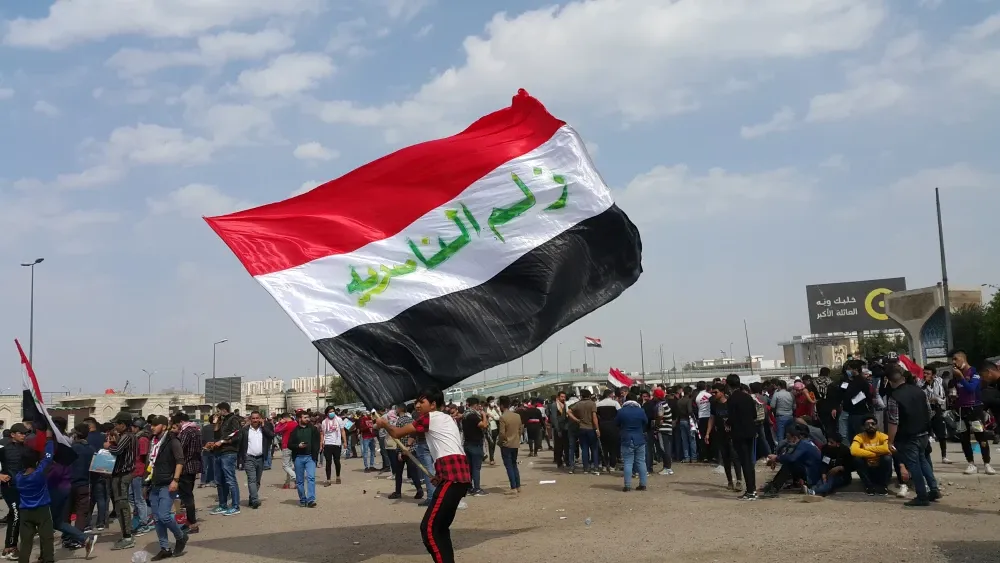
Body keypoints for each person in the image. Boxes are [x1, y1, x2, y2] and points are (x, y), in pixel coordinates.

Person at [377, 387, 471, 563]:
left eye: (422, 402)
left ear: (433, 404)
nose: (417, 405)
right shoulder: (446, 418)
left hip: (453, 475)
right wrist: (440, 476)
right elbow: (446, 447)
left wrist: (384, 424)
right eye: (417, 402)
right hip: (457, 474)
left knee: (430, 529)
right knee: (440, 528)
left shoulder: (431, 417)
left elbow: (397, 433)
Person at [887, 365, 941, 507]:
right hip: (923, 433)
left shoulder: (894, 397)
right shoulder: (919, 391)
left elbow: (894, 422)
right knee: (923, 460)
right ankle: (934, 489)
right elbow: (929, 412)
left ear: (889, 381)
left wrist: (890, 441)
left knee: (914, 465)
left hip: (908, 436)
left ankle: (922, 495)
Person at [146, 416, 188, 560]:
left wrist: (175, 480)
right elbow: (150, 463)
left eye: (155, 425)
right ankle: (165, 548)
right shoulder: (153, 441)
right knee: (157, 518)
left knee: (164, 516)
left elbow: (180, 461)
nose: (152, 427)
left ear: (164, 426)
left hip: (168, 482)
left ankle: (180, 536)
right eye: (151, 425)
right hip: (154, 483)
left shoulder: (172, 440)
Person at [950, 351, 995, 475]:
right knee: (964, 438)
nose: (953, 362)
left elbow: (971, 389)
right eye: (952, 360)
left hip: (974, 409)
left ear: (963, 359)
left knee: (981, 437)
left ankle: (987, 463)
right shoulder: (955, 376)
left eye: (956, 359)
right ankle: (971, 463)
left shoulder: (974, 373)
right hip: (961, 411)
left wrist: (961, 378)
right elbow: (955, 390)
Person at [15, 443, 56, 563]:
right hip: (42, 510)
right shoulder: (39, 475)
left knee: (26, 541)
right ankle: (48, 559)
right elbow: (48, 457)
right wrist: (49, 441)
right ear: (36, 462)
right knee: (47, 538)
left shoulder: (19, 477)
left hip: (25, 511)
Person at [106, 411, 138, 550]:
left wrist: (109, 446)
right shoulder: (129, 436)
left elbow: (118, 450)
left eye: (117, 424)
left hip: (122, 474)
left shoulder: (127, 436)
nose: (115, 426)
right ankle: (127, 534)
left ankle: (127, 536)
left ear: (123, 425)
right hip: (123, 474)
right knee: (121, 504)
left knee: (121, 504)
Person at [726, 374, 758, 500]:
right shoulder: (748, 397)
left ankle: (750, 491)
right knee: (749, 461)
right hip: (750, 432)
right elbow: (754, 415)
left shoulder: (732, 399)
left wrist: (727, 422)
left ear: (728, 385)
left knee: (744, 462)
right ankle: (753, 489)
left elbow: (732, 418)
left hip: (739, 434)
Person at [0, 423, 30, 560]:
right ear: (13, 434)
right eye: (21, 433)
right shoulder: (4, 449)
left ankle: (8, 547)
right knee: (16, 514)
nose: (23, 435)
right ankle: (11, 547)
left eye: (25, 433)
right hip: (9, 487)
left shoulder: (27, 449)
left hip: (23, 487)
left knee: (16, 514)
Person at [170, 412, 202, 534]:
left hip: (185, 468)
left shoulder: (187, 432)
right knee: (187, 495)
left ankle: (192, 524)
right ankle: (189, 522)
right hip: (193, 467)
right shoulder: (196, 430)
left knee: (187, 497)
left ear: (180, 422)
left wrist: (174, 435)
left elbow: (179, 448)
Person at [386, 404, 424, 501]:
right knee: (413, 471)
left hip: (403, 450)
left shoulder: (399, 421)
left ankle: (398, 492)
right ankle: (419, 489)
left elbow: (398, 437)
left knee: (398, 473)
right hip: (412, 448)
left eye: (396, 409)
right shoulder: (411, 419)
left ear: (399, 409)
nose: (395, 411)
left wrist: (399, 451)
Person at [237, 411, 273, 510]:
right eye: (253, 418)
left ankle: (252, 498)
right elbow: (240, 444)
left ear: (260, 419)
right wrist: (240, 459)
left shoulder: (263, 430)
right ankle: (255, 500)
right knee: (252, 480)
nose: (255, 420)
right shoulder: (245, 430)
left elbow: (271, 435)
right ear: (250, 419)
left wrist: (264, 426)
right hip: (249, 458)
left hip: (260, 458)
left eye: (257, 418)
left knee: (257, 481)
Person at [851, 414, 893, 495]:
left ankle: (883, 486)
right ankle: (869, 486)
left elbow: (886, 448)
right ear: (863, 427)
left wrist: (864, 449)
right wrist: (875, 454)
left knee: (887, 458)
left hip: (881, 470)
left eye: (873, 424)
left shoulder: (882, 436)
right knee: (857, 459)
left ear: (877, 425)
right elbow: (854, 450)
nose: (870, 426)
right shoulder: (859, 437)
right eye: (867, 424)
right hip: (868, 470)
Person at [616, 393, 648, 492]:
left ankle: (627, 485)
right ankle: (643, 484)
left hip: (626, 438)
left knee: (628, 462)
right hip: (639, 438)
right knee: (641, 462)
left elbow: (616, 423)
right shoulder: (641, 410)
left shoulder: (621, 411)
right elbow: (645, 422)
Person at [288, 411, 321, 508]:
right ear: (299, 419)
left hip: (310, 457)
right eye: (305, 417)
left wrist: (315, 455)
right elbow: (289, 444)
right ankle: (302, 499)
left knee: (311, 478)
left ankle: (311, 499)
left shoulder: (313, 429)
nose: (307, 419)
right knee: (299, 481)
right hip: (298, 458)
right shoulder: (294, 431)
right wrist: (298, 446)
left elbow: (316, 443)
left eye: (308, 417)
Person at [568, 390, 600, 475]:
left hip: (581, 428)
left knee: (584, 449)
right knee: (594, 449)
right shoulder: (592, 404)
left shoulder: (578, 404)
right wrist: (597, 429)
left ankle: (586, 468)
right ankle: (595, 467)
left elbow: (568, 412)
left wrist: (577, 420)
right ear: (589, 396)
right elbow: (594, 417)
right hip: (591, 428)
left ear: (581, 396)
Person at [497, 396, 523, 494]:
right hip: (515, 443)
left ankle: (513, 488)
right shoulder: (517, 416)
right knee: (514, 464)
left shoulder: (503, 417)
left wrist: (500, 442)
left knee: (509, 466)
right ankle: (518, 486)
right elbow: (520, 430)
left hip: (506, 444)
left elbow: (502, 433)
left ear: (502, 405)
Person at [321, 407, 346, 486]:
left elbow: (342, 430)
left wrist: (345, 441)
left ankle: (338, 476)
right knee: (328, 462)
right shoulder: (324, 422)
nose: (332, 413)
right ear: (327, 413)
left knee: (337, 461)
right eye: (330, 412)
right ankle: (328, 480)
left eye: (333, 411)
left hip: (337, 443)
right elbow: (322, 433)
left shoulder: (339, 420)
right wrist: (321, 443)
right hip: (328, 443)